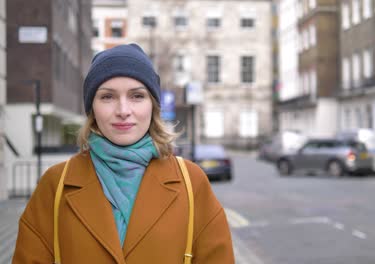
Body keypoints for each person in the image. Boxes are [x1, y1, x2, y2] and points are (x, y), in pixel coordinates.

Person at [12, 43, 235, 263]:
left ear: (153, 106)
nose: (123, 111)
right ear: (92, 109)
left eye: (137, 96)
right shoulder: (55, 184)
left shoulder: (192, 182)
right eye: (107, 97)